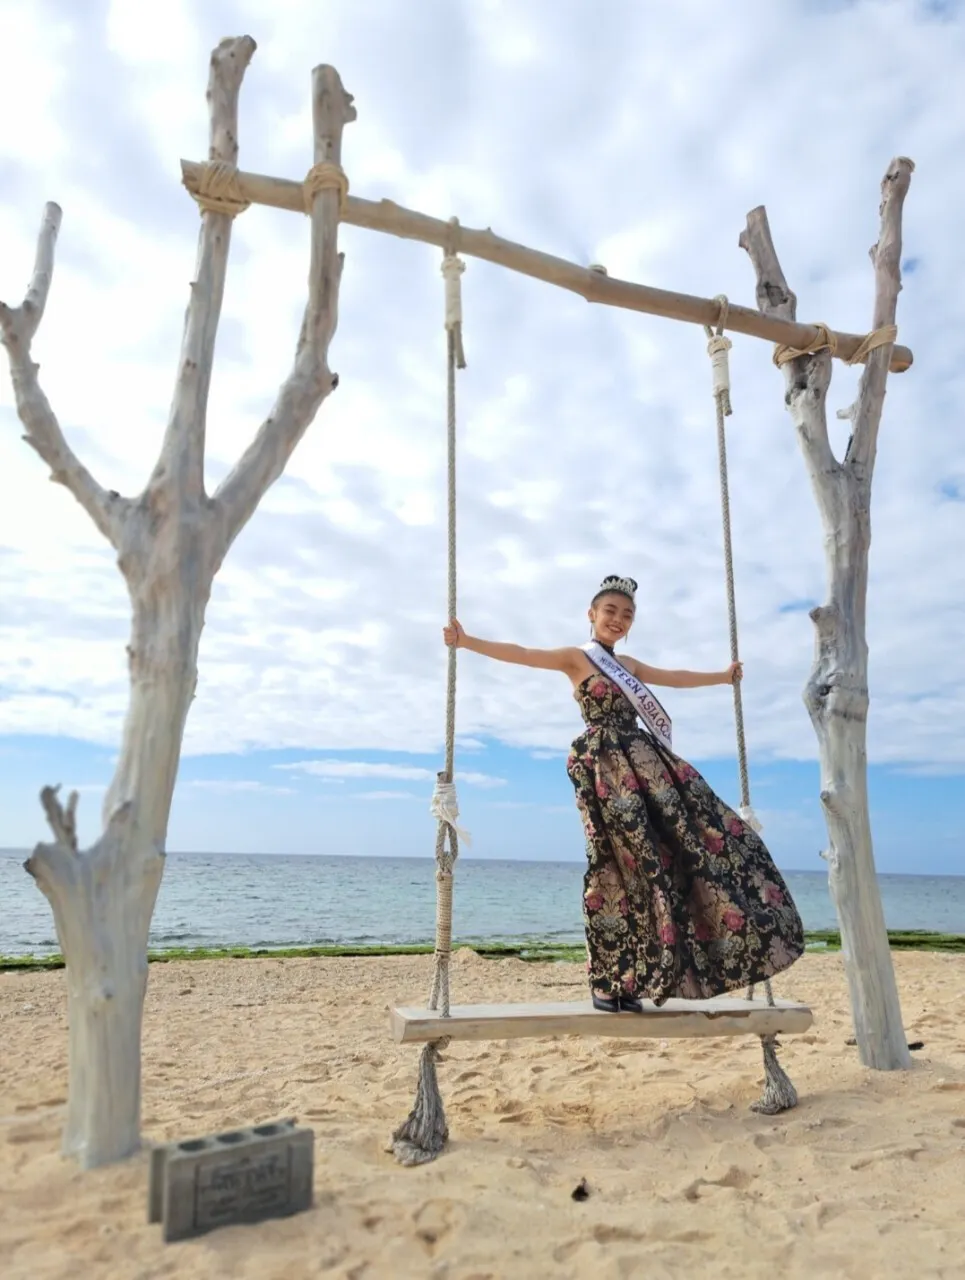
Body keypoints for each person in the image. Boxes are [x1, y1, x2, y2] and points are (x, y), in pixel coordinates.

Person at [443, 574, 805, 1012]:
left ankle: (635, 979)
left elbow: (675, 677)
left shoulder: (629, 665)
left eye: (627, 615)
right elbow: (522, 653)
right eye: (610, 611)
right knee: (614, 864)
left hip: (647, 765)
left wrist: (722, 677)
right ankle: (607, 983)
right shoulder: (576, 658)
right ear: (592, 614)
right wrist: (467, 642)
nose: (618, 619)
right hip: (604, 770)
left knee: (676, 851)